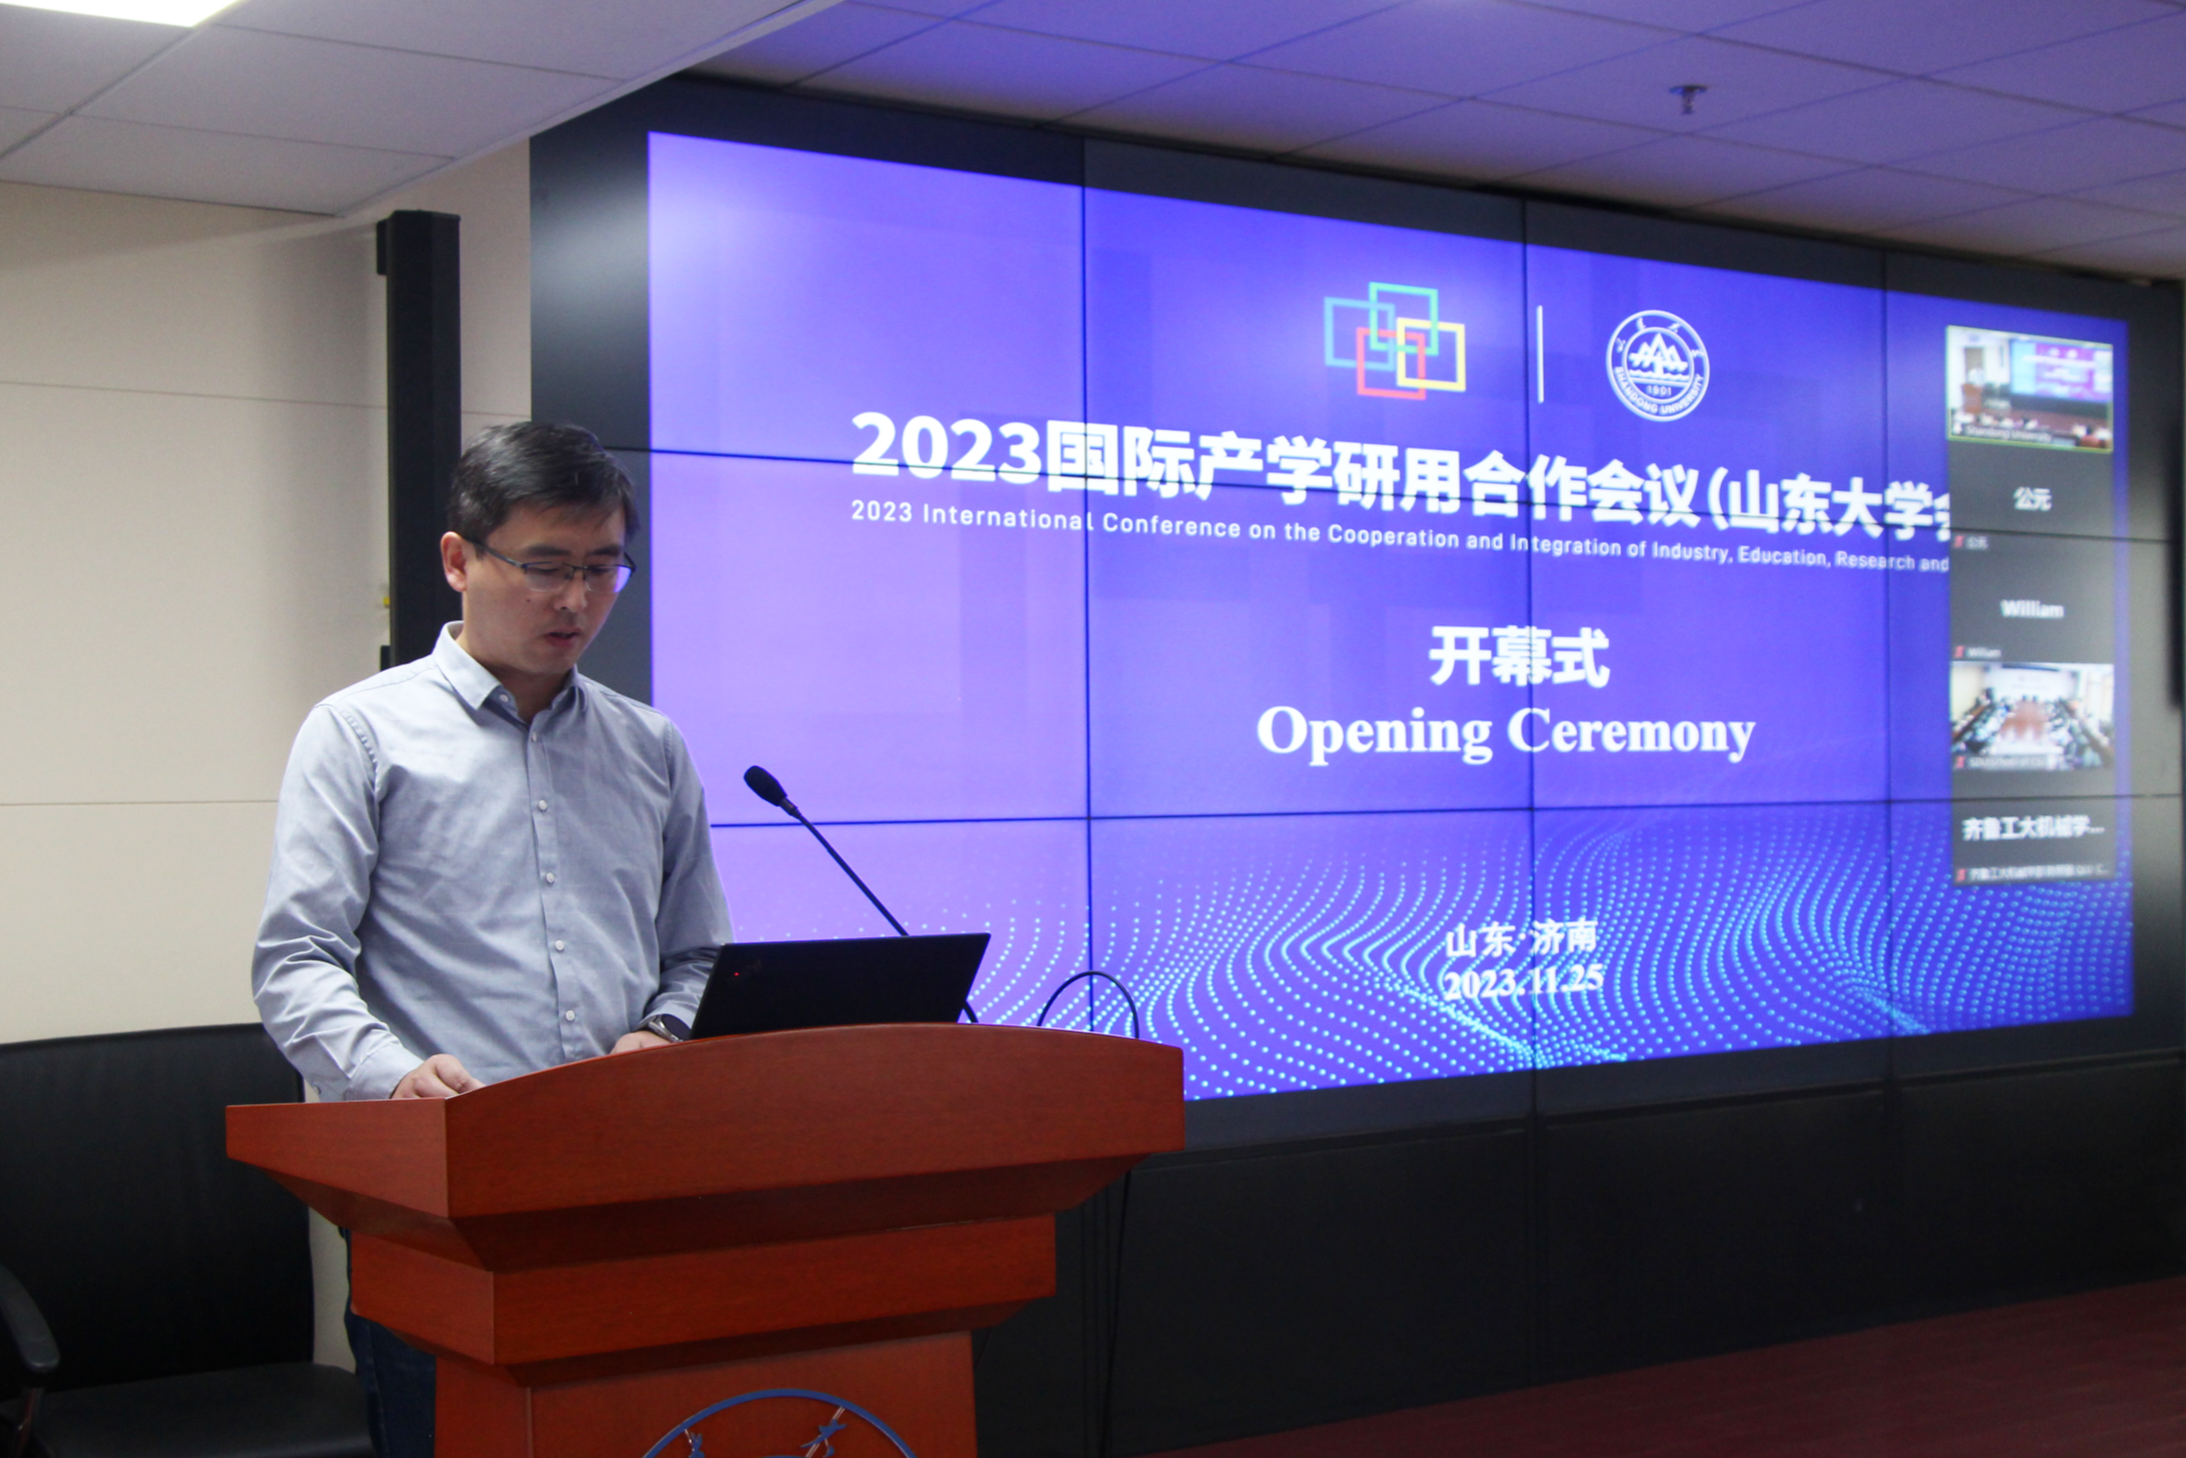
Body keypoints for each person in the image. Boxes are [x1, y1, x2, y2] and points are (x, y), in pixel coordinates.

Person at [252, 422, 732, 1458]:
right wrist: (391, 1076)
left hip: (625, 1185)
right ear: (458, 560)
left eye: (603, 568)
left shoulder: (650, 746)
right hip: (441, 1201)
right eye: (546, 567)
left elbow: (696, 955)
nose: (576, 601)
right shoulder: (360, 732)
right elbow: (296, 960)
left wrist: (662, 1034)